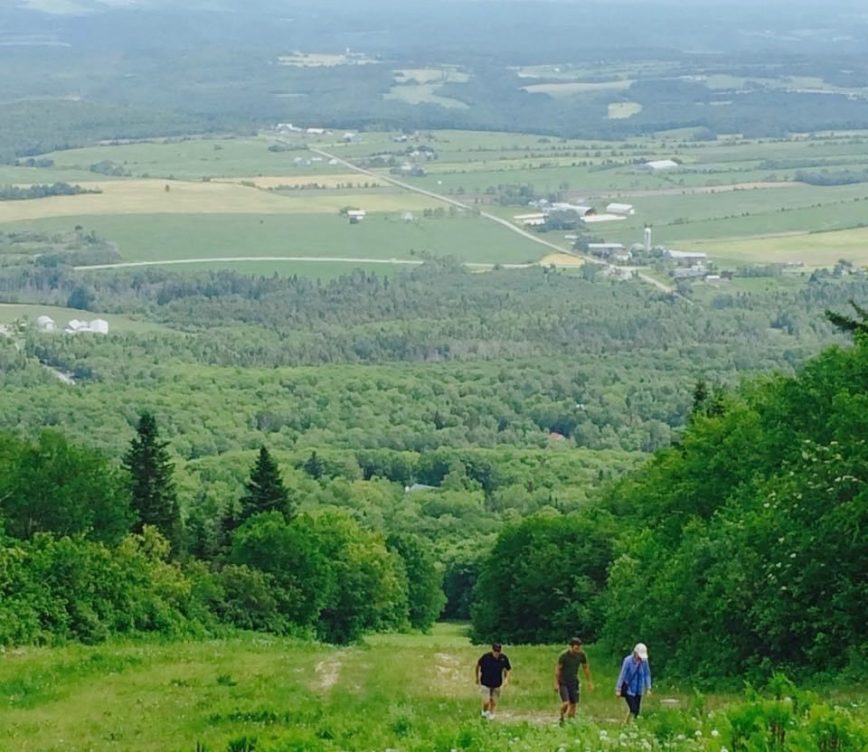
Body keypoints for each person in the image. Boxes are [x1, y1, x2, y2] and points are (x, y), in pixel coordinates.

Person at [555, 637, 593, 724]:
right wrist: (556, 683)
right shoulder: (564, 656)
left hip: (574, 681)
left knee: (574, 703)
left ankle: (571, 722)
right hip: (563, 682)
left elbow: (585, 668)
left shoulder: (581, 655)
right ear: (571, 647)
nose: (578, 650)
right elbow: (558, 669)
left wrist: (589, 682)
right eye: (576, 648)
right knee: (566, 703)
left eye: (579, 648)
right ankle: (561, 717)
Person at [615, 642, 651, 721]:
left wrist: (648, 688)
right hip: (629, 688)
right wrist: (618, 689)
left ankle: (631, 724)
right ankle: (628, 722)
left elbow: (647, 674)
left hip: (639, 688)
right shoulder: (628, 661)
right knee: (633, 709)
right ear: (635, 653)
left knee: (637, 711)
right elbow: (622, 674)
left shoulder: (644, 661)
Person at [475, 643, 512, 719]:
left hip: (497, 683)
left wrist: (506, 679)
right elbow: (478, 665)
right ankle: (484, 712)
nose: (496, 653)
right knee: (486, 701)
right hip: (485, 682)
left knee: (494, 701)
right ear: (492, 650)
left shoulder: (503, 658)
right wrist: (477, 677)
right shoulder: (486, 657)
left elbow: (507, 669)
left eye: (498, 651)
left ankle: (491, 714)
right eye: (495, 651)